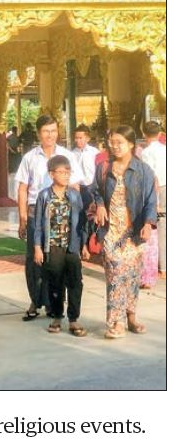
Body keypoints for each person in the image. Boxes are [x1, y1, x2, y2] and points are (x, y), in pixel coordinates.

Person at [15, 114, 83, 321]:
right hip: (36, 213)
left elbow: (75, 185)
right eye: (46, 131)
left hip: (61, 215)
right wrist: (22, 218)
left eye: (53, 131)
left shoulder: (67, 155)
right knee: (34, 260)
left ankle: (55, 305)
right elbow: (23, 188)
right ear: (38, 133)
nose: (50, 135)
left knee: (58, 261)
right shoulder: (30, 157)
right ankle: (35, 301)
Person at [91, 126, 157, 339]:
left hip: (134, 232)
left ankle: (131, 316)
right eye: (112, 142)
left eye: (119, 142)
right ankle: (116, 322)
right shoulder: (103, 168)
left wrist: (148, 224)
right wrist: (100, 204)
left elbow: (151, 200)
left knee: (132, 276)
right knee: (115, 274)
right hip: (111, 231)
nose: (115, 146)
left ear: (130, 144)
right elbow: (94, 190)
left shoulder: (143, 170)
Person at [33, 156, 89, 337]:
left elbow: (82, 222)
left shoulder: (74, 195)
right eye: (62, 172)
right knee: (55, 283)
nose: (66, 176)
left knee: (75, 282)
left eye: (68, 172)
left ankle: (74, 319)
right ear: (51, 174)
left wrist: (84, 245)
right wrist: (37, 247)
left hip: (72, 245)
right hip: (52, 246)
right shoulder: (44, 196)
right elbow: (38, 224)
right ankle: (57, 316)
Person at [141, 121, 166, 280]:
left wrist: (153, 201)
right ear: (160, 134)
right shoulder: (165, 149)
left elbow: (151, 176)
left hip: (156, 191)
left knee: (160, 227)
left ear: (144, 134)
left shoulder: (146, 152)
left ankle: (162, 266)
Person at [72, 124, 99, 210]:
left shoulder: (94, 152)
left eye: (80, 138)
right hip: (78, 187)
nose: (77, 140)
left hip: (92, 187)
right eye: (76, 138)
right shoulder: (72, 154)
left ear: (87, 138)